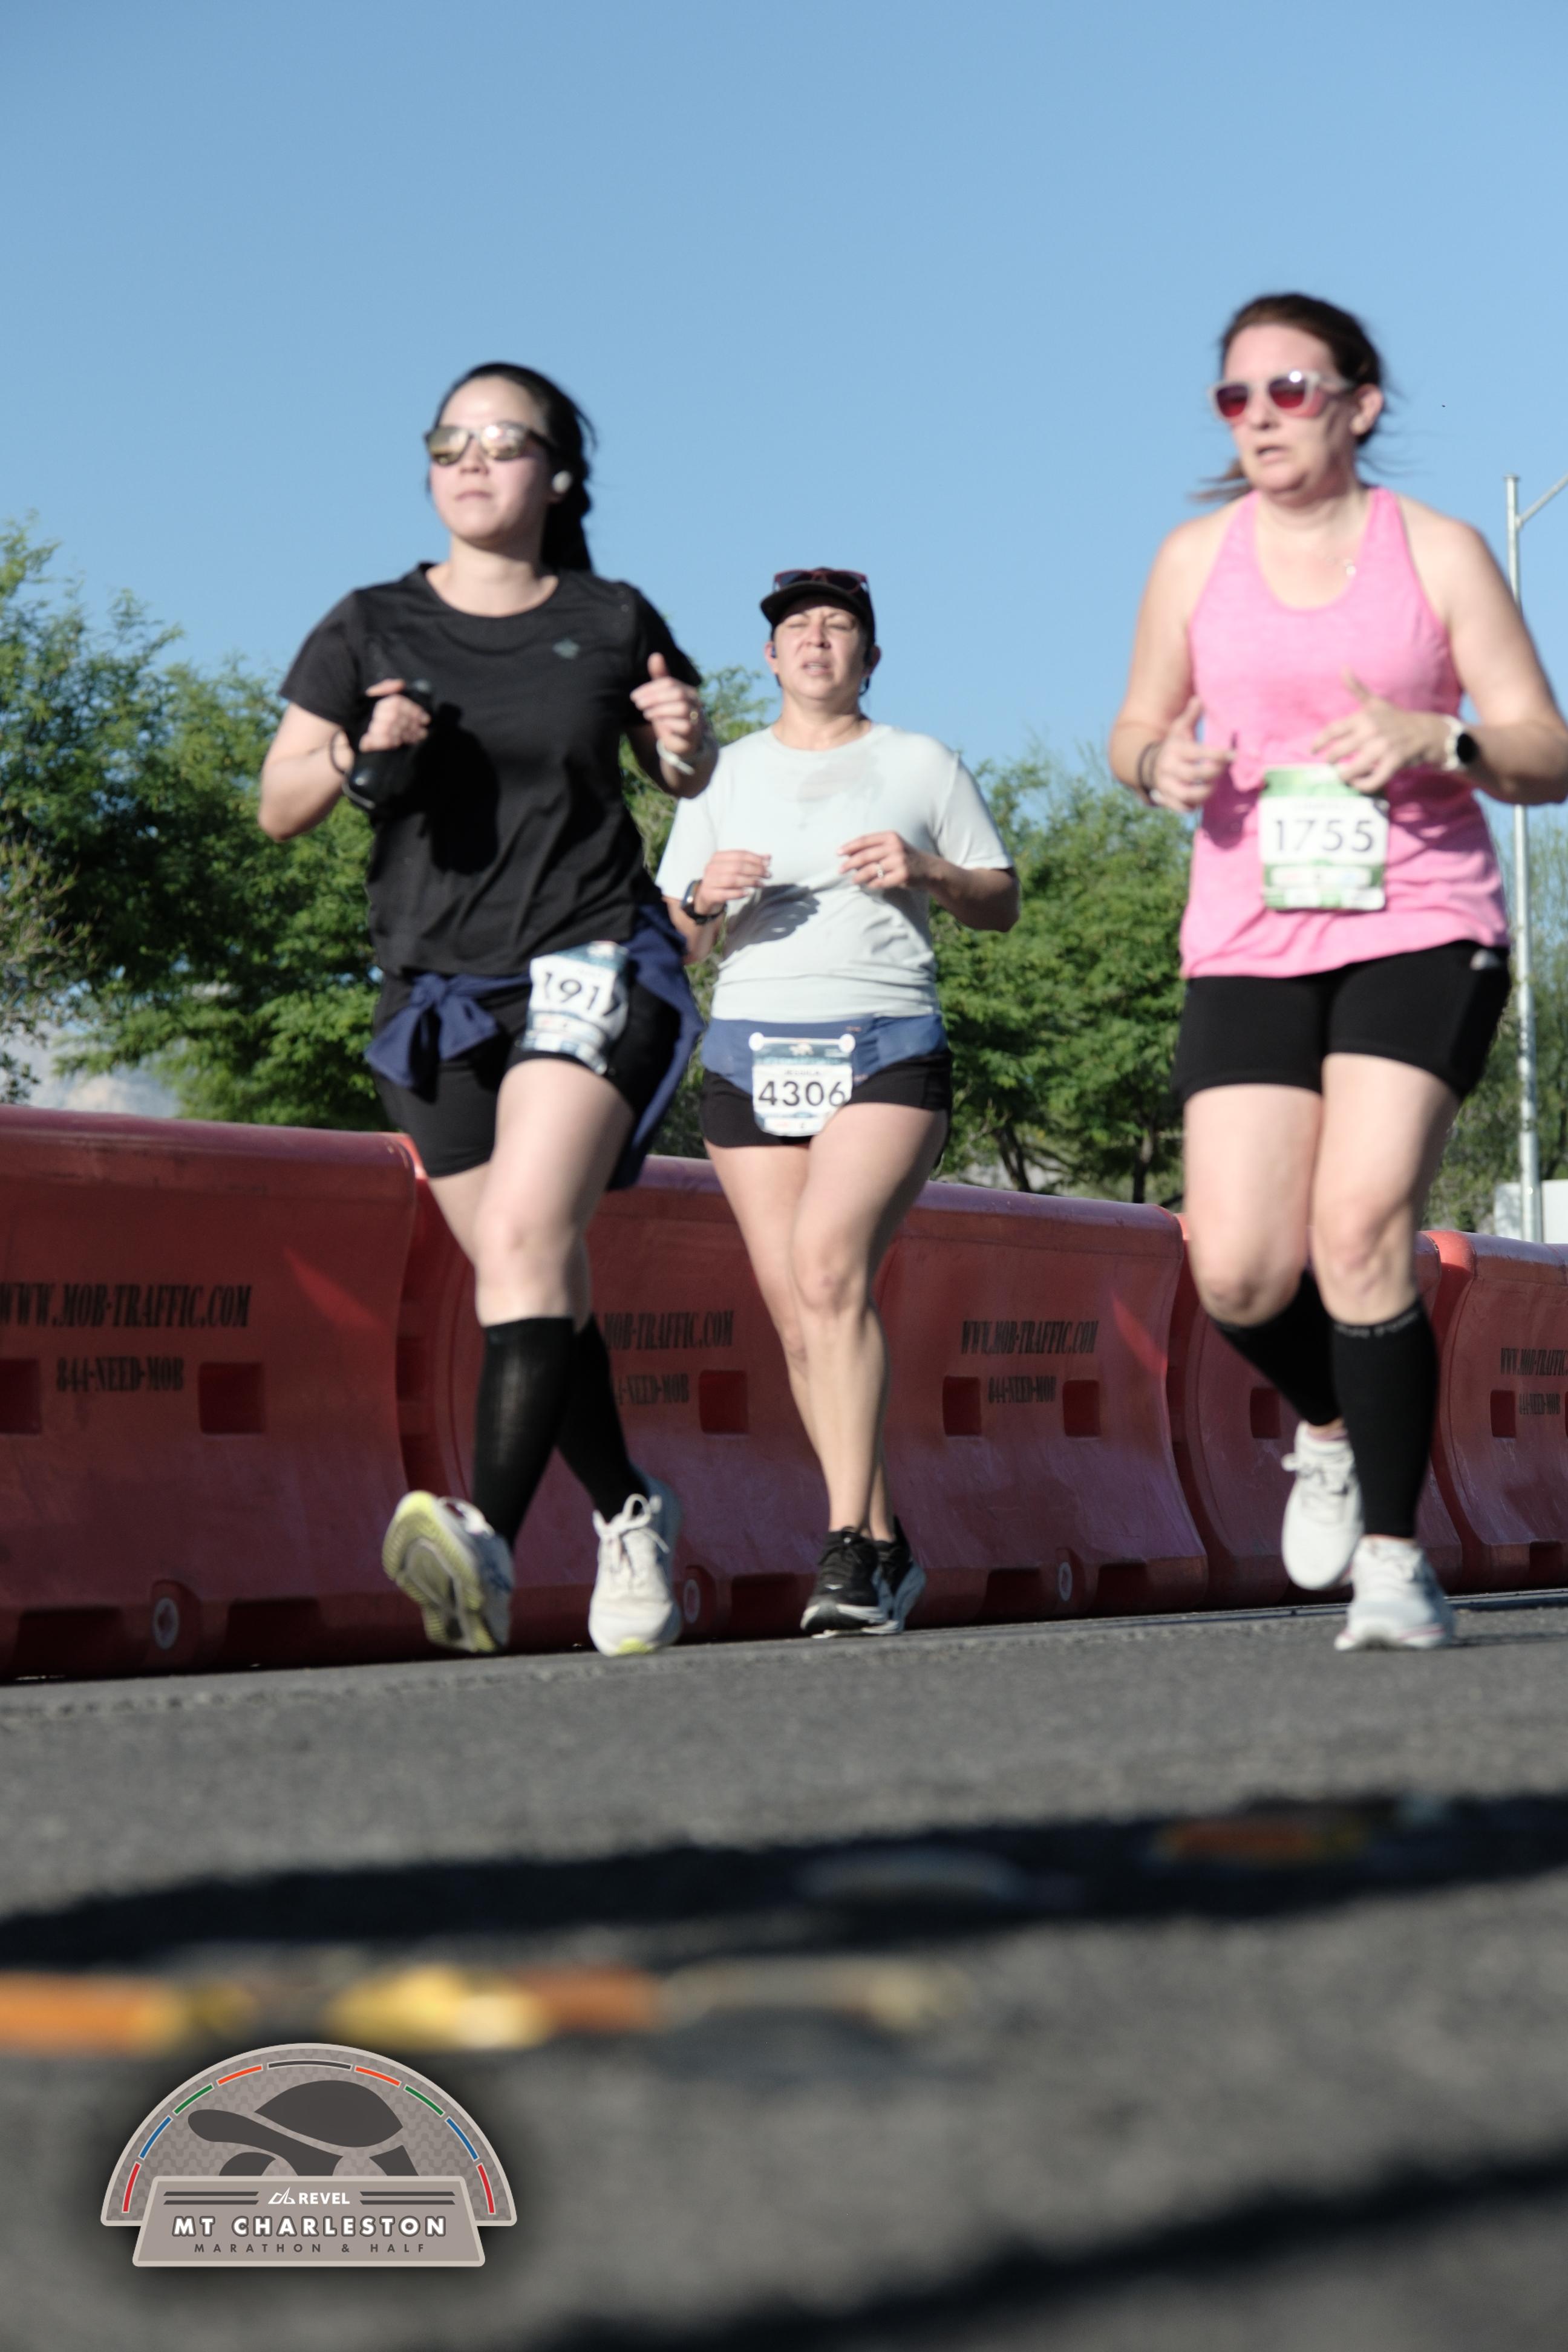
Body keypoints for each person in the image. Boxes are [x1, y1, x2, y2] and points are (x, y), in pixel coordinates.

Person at [1110, 292, 1568, 1651]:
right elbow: (1133, 727)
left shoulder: (1438, 552)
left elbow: (1545, 748)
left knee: (1361, 1229)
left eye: (1290, 390)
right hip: (1251, 935)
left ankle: (1393, 1558)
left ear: (1360, 406)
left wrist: (1445, 741)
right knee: (1241, 1273)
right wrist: (1157, 763)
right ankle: (1325, 1424)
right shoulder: (1196, 560)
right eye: (1235, 397)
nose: (1260, 417)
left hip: (1422, 919)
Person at [258, 362, 717, 1659]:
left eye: (502, 442)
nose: (470, 461)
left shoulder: (612, 616)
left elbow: (682, 768)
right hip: (433, 991)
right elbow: (281, 804)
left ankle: (484, 1541)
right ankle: (629, 1509)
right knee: (531, 1276)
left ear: (557, 477)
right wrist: (359, 746)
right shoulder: (369, 624)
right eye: (449, 440)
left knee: (523, 1232)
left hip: (590, 955)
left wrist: (686, 740)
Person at [658, 569, 1019, 1633]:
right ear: (770, 658)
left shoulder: (920, 762)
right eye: (798, 627)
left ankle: (847, 1544)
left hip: (884, 1042)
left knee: (827, 1271)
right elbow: (679, 940)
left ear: (870, 655)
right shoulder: (721, 776)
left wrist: (927, 869)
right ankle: (888, 1548)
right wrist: (702, 897)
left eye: (839, 625)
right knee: (800, 1316)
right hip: (750, 1051)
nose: (817, 640)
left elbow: (999, 900)